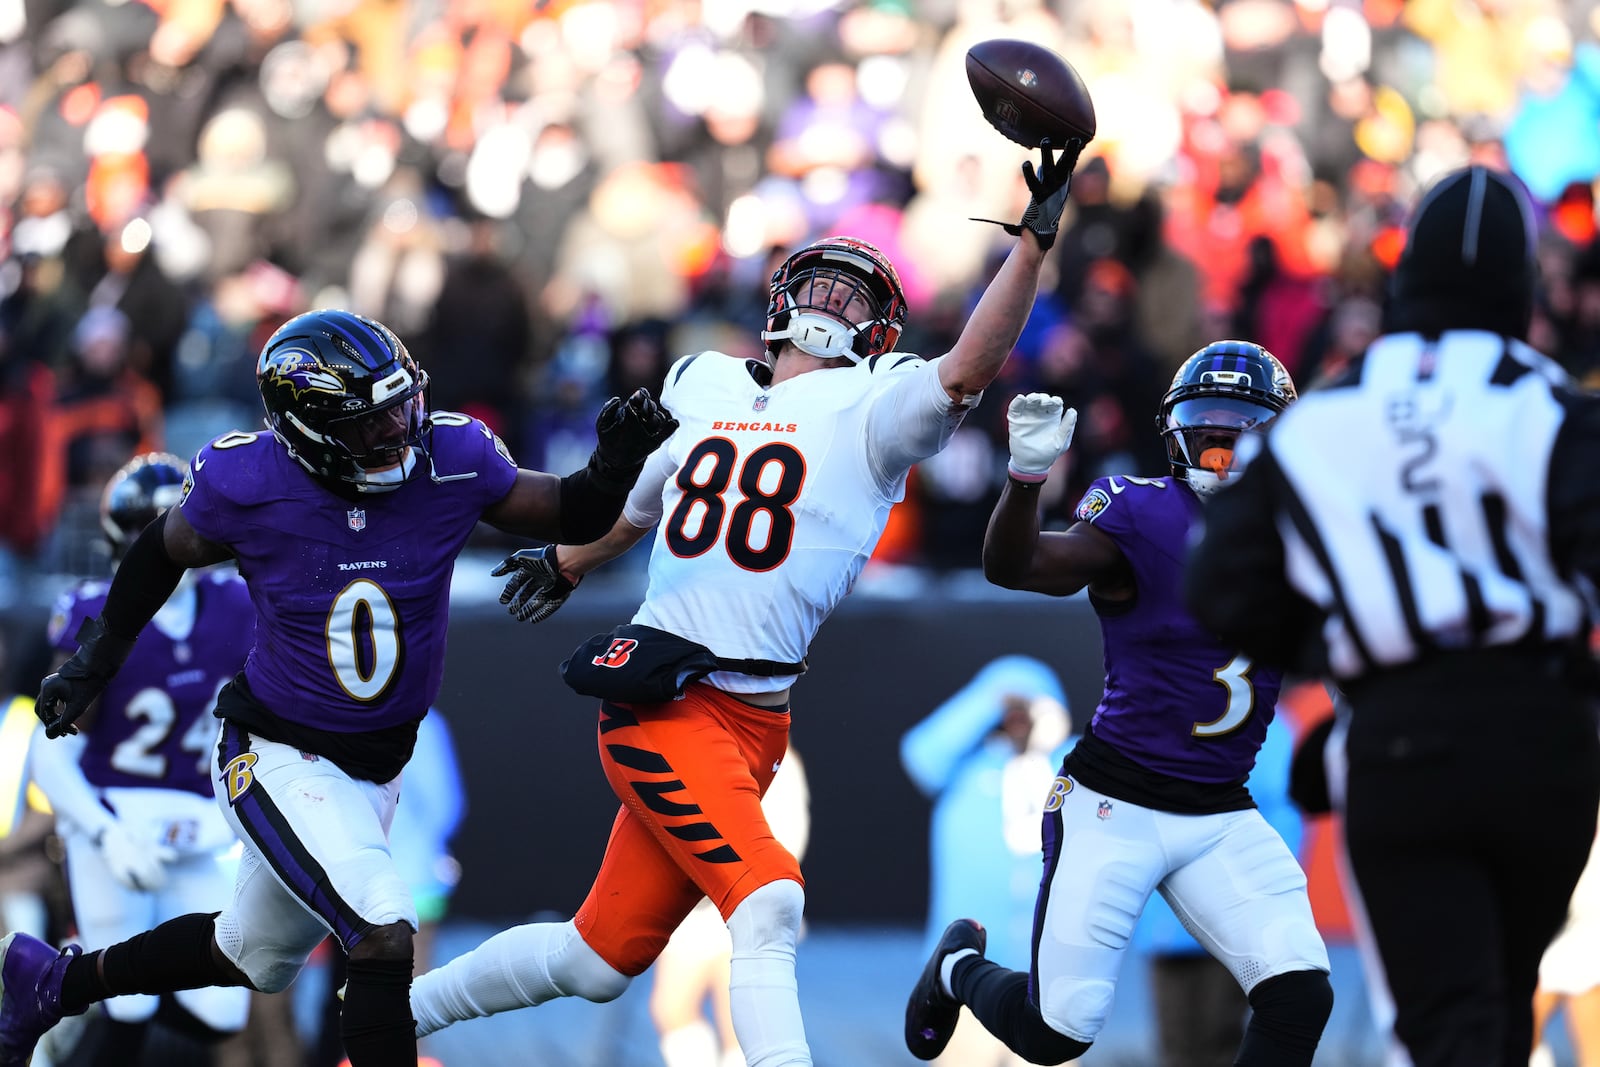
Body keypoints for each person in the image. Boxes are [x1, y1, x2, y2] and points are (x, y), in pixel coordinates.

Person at [404, 136, 1085, 1067]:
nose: (830, 303)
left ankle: (392, 1016)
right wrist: (567, 560)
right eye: (818, 286)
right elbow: (639, 508)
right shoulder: (705, 382)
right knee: (769, 901)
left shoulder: (875, 409)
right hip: (667, 699)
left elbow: (968, 364)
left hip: (756, 716)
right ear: (775, 306)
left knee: (596, 958)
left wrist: (1031, 248)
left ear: (880, 334)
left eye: (854, 296)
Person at [0, 307, 678, 1067]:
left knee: (248, 955)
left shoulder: (449, 456)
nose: (398, 432)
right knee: (383, 927)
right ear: (309, 430)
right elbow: (161, 550)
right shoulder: (250, 479)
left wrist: (613, 464)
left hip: (374, 765)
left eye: (401, 407)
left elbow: (567, 506)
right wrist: (95, 660)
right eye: (372, 423)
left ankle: (50, 980)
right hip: (275, 747)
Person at [1184, 164, 1600, 1067]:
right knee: (1499, 1000)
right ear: (1525, 290)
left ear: (1403, 277)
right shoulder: (1554, 406)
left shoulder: (1319, 420)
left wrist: (1339, 652)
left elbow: (1221, 585)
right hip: (1544, 734)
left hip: (1400, 735)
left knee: (1446, 1026)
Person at [903, 340, 1333, 1067]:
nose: (1223, 447)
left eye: (1243, 430)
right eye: (1208, 426)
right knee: (1056, 1033)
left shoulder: (1303, 531)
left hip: (1219, 808)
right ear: (1176, 432)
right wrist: (1026, 476)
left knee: (1300, 991)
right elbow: (1014, 565)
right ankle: (957, 970)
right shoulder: (1143, 513)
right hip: (1114, 801)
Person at [28, 453, 254, 1065]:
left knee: (222, 1007)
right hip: (116, 815)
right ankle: (68, 1010)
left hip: (201, 822)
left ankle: (67, 1005)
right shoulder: (95, 611)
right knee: (128, 1005)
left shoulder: (238, 605)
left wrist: (236, 816)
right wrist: (104, 831)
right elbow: (45, 745)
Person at [899, 655, 1072, 1067]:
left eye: (1025, 711)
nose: (1016, 721)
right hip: (968, 979)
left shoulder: (1068, 766)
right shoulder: (965, 767)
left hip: (1048, 984)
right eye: (1008, 714)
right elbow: (921, 754)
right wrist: (989, 700)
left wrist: (1048, 719)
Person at [650, 745, 809, 1067]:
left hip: (745, 913)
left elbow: (788, 839)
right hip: (694, 914)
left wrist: (730, 881)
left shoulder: (776, 761)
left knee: (740, 1027)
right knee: (672, 1010)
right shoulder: (693, 750)